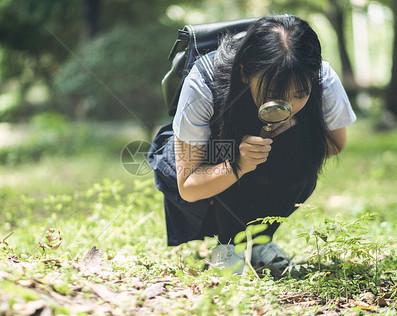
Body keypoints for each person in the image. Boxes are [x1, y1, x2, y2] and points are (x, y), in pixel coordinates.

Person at [149, 15, 356, 275]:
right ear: (245, 73)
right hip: (208, 159)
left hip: (264, 157)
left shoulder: (322, 78)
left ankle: (259, 243)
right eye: (274, 95)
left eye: (301, 94)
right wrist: (237, 164)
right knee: (223, 147)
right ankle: (226, 247)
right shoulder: (204, 83)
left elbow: (335, 144)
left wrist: (293, 136)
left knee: (303, 149)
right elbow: (188, 186)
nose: (288, 107)